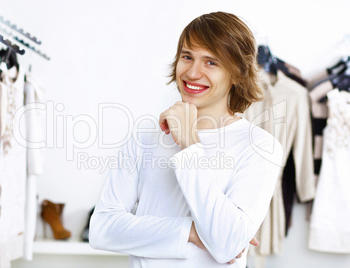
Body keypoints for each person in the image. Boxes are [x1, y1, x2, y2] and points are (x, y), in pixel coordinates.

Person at [89, 11, 283, 268]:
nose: (192, 72)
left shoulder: (260, 147)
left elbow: (226, 244)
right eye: (187, 56)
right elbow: (102, 229)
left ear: (237, 73)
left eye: (211, 62)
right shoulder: (146, 135)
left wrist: (190, 145)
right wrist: (190, 231)